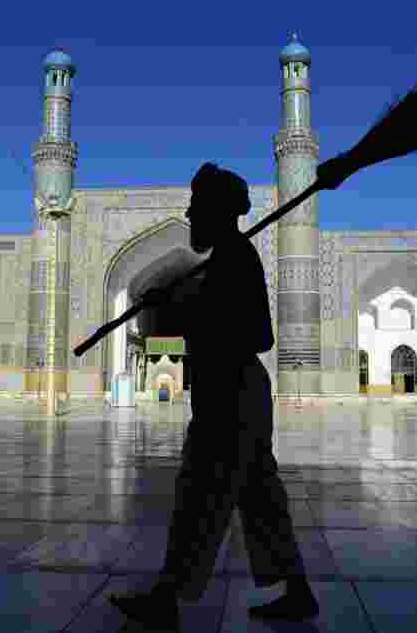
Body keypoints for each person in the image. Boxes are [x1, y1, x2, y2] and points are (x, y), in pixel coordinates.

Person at [108, 163, 319, 630]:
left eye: (196, 208)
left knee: (199, 496)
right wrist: (177, 303)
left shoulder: (237, 259)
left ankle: (167, 597)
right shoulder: (223, 259)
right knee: (262, 500)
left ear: (217, 212)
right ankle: (298, 591)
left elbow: (258, 335)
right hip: (233, 395)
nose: (189, 216)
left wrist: (189, 309)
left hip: (232, 396)